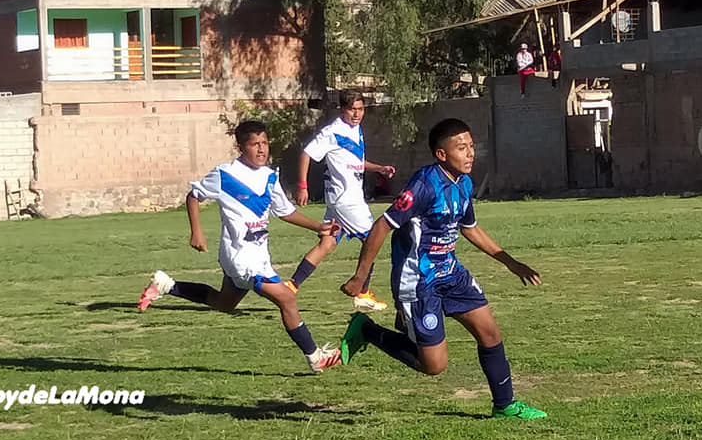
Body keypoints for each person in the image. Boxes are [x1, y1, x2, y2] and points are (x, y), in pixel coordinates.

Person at [337, 118, 548, 420]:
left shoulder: (464, 183)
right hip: (419, 280)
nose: (470, 153)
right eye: (461, 148)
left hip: (451, 272)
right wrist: (361, 276)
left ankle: (505, 405)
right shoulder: (423, 185)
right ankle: (367, 330)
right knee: (434, 365)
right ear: (441, 155)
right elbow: (383, 225)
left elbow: (470, 228)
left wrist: (510, 262)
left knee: (490, 334)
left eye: (472, 146)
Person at [136, 120, 344, 373]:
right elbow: (193, 196)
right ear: (240, 147)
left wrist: (317, 227)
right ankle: (315, 357)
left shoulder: (269, 176)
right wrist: (197, 232)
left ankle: (166, 285)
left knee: (224, 303)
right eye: (254, 144)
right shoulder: (225, 174)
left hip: (259, 255)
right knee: (287, 298)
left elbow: (285, 211)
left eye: (265, 143)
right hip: (239, 256)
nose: (261, 149)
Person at [288, 90, 396, 312]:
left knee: (327, 243)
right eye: (352, 109)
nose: (356, 114)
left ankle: (291, 286)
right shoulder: (332, 131)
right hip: (347, 200)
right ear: (342, 110)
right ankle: (363, 293)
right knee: (372, 239)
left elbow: (356, 162)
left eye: (360, 109)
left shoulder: (356, 130)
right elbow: (306, 153)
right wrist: (302, 186)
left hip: (342, 200)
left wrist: (379, 169)